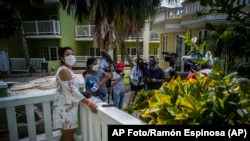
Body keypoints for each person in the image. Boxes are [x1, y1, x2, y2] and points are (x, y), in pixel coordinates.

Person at [52, 47, 98, 141]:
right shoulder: (64, 71)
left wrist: (83, 93)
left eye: (72, 54)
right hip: (65, 108)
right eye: (67, 54)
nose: (71, 56)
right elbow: (73, 91)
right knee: (69, 134)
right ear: (62, 58)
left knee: (68, 133)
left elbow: (70, 88)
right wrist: (89, 103)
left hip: (70, 106)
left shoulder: (68, 70)